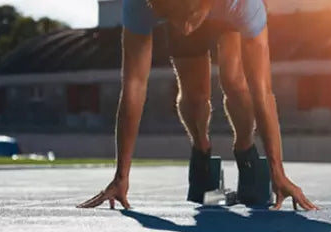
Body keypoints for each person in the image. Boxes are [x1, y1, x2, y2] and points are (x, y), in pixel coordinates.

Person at [78, 0, 318, 211]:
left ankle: (246, 154)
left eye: (189, 20)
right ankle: (202, 154)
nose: (186, 28)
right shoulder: (140, 4)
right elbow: (134, 85)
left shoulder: (242, 5)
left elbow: (262, 91)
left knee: (234, 80)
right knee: (194, 94)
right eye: (176, 21)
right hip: (186, 7)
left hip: (224, 12)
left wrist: (278, 171)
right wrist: (121, 177)